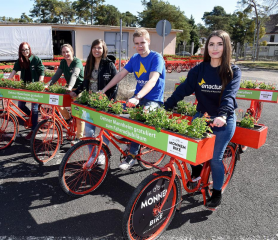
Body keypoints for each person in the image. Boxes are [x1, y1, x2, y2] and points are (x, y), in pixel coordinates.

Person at [164, 30, 241, 210]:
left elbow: (229, 96)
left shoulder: (233, 71)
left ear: (226, 47)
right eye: (211, 44)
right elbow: (183, 89)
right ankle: (197, 175)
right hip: (202, 117)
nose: (215, 48)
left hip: (224, 119)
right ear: (206, 47)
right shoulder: (199, 69)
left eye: (219, 44)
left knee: (215, 158)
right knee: (192, 152)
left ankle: (217, 192)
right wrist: (166, 106)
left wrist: (222, 115)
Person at [101, 28, 166, 170]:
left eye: (142, 42)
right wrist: (104, 90)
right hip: (137, 98)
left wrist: (137, 97)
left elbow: (153, 80)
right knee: (113, 112)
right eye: (137, 43)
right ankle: (118, 142)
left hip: (153, 100)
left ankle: (131, 156)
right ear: (133, 45)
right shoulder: (135, 58)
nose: (140, 46)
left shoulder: (156, 58)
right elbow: (119, 75)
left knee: (139, 120)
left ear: (148, 42)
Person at [70, 39, 118, 166]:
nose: (97, 50)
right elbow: (85, 81)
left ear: (104, 50)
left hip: (104, 103)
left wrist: (110, 102)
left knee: (105, 130)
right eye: (95, 47)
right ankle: (92, 155)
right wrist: (77, 91)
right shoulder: (89, 64)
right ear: (91, 49)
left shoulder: (109, 65)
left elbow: (115, 85)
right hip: (91, 102)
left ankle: (102, 154)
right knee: (89, 132)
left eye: (99, 48)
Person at [48, 44, 84, 144]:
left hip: (79, 89)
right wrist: (48, 85)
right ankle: (68, 118)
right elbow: (56, 75)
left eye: (67, 52)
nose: (65, 54)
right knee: (58, 102)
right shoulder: (63, 62)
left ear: (72, 52)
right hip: (70, 89)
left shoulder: (77, 62)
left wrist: (70, 87)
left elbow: (75, 75)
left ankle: (79, 137)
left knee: (78, 112)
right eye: (63, 52)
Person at [8, 42, 45, 140]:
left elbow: (42, 70)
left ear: (30, 49)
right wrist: (7, 81)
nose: (25, 52)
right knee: (20, 105)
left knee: (34, 108)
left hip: (35, 87)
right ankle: (33, 118)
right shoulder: (20, 60)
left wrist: (40, 82)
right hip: (25, 87)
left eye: (27, 49)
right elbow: (14, 71)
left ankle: (34, 130)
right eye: (23, 50)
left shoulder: (35, 59)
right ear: (20, 51)